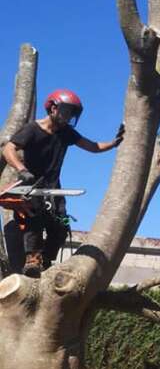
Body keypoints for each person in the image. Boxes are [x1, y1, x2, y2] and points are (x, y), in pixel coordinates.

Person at [1, 89, 124, 277]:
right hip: (32, 186)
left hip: (53, 188)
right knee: (34, 218)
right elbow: (9, 149)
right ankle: (33, 259)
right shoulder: (32, 129)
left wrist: (114, 143)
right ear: (52, 108)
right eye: (66, 112)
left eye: (72, 114)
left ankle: (47, 259)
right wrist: (22, 170)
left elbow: (92, 146)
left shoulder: (66, 133)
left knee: (62, 223)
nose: (68, 117)